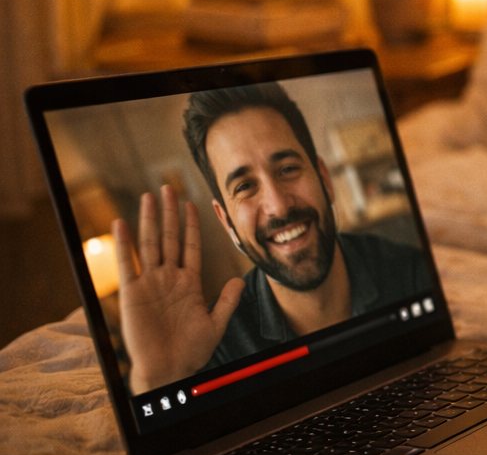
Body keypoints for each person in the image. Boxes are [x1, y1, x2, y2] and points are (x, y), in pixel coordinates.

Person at [113, 83, 431, 395]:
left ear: (324, 179)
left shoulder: (413, 273)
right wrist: (156, 381)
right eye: (245, 187)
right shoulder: (210, 349)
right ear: (227, 222)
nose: (278, 204)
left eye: (288, 169)